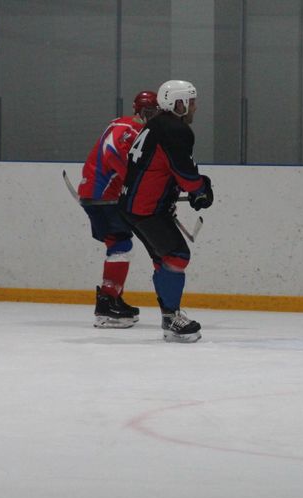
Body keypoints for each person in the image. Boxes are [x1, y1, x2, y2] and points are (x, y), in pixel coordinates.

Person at [118, 79, 214, 343]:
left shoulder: (158, 125)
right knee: (177, 256)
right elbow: (184, 172)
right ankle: (171, 318)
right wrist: (199, 190)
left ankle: (169, 316)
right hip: (146, 210)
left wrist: (190, 187)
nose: (194, 108)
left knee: (164, 259)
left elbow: (164, 167)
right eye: (191, 102)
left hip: (132, 207)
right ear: (178, 104)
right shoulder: (174, 129)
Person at [78, 90, 160, 328]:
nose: (151, 116)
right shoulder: (129, 128)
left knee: (120, 245)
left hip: (100, 193)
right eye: (148, 112)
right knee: (120, 245)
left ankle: (113, 299)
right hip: (103, 194)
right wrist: (133, 180)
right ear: (139, 111)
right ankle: (106, 304)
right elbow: (112, 150)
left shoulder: (128, 126)